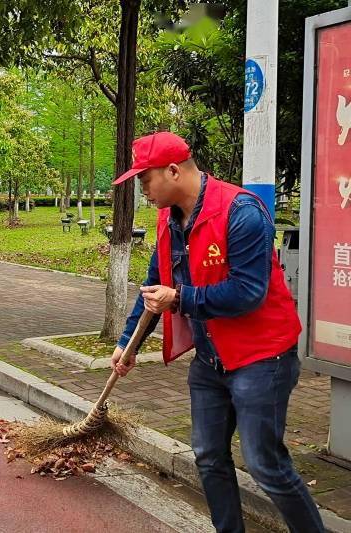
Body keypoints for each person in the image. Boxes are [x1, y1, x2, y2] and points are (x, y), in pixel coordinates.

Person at [110, 132, 324, 533]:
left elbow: (248, 292)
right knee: (208, 454)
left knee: (265, 464)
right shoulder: (169, 219)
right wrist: (128, 344)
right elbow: (156, 283)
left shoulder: (242, 211)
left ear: (173, 170)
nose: (143, 191)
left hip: (262, 359)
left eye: (145, 180)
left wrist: (179, 299)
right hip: (211, 359)